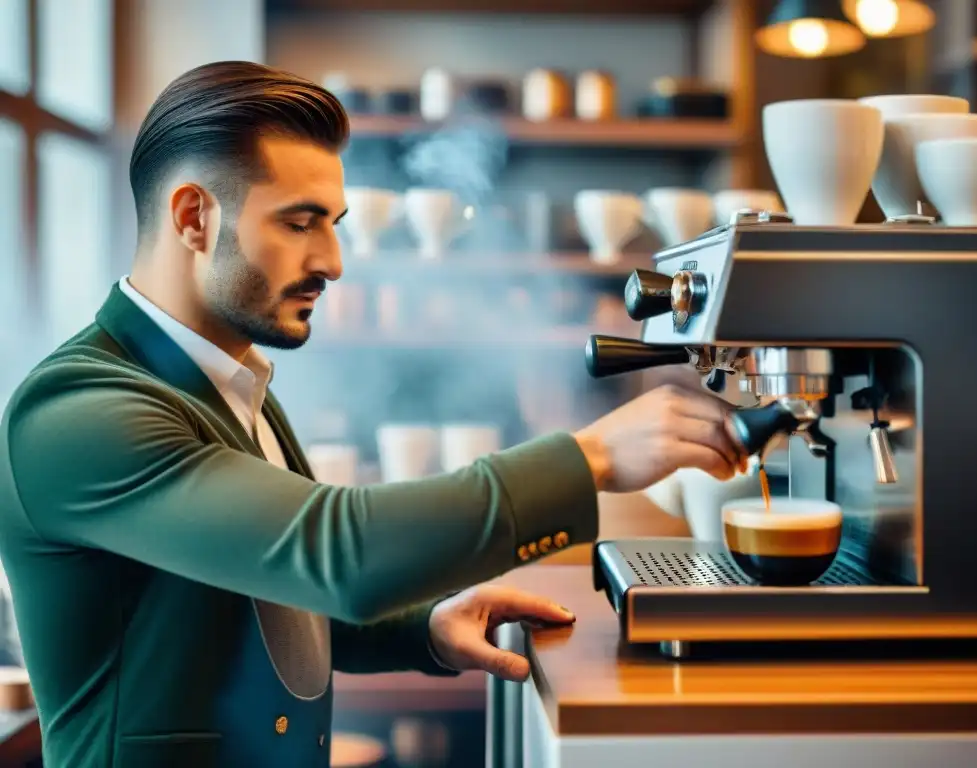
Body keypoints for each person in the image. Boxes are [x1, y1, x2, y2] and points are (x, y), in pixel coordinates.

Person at [0, 61, 743, 768]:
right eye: (300, 223)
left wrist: (423, 632)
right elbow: (335, 553)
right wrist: (590, 459)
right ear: (194, 217)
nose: (334, 259)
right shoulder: (79, 413)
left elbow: (268, 592)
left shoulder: (230, 384)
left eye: (335, 223)